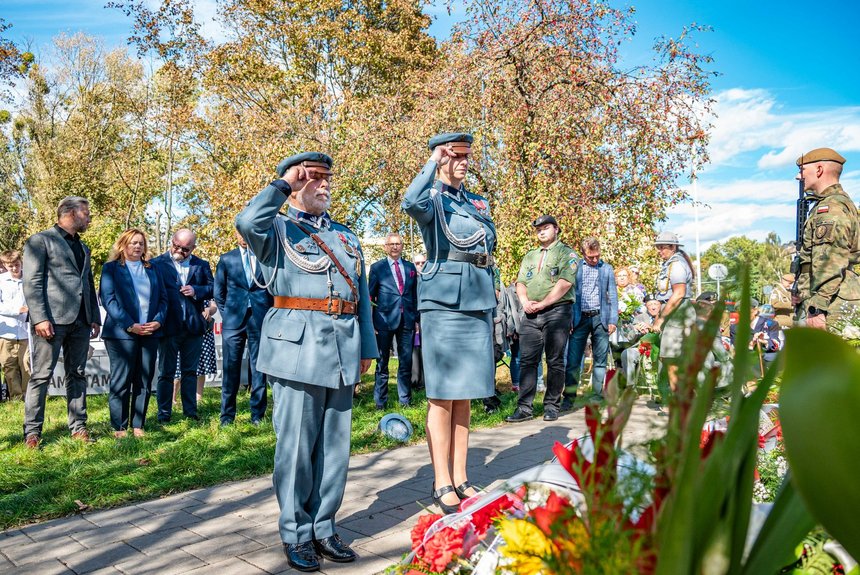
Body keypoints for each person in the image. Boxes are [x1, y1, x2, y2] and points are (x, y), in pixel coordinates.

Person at [236, 151, 377, 572]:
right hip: (296, 349)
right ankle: (295, 531)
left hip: (341, 348)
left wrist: (366, 347)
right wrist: (284, 185)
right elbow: (246, 222)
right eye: (314, 178)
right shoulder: (276, 228)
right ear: (296, 183)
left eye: (326, 178)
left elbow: (360, 296)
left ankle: (323, 526)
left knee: (335, 448)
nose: (324, 185)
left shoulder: (346, 237)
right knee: (296, 448)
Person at [403, 132, 497, 515]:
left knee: (465, 394)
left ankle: (460, 476)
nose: (463, 161)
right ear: (442, 157)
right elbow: (411, 201)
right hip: (442, 301)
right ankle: (441, 479)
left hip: (477, 297)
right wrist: (431, 163)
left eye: (466, 156)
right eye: (454, 155)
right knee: (442, 394)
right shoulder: (432, 200)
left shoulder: (476, 202)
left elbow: (486, 245)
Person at [22, 196, 101, 447]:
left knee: (77, 374)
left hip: (81, 320)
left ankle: (78, 427)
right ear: (70, 213)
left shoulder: (84, 246)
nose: (89, 218)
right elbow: (32, 283)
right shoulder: (40, 241)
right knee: (41, 375)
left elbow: (87, 284)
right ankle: (32, 432)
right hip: (51, 321)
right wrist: (40, 318)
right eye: (86, 213)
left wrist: (94, 317)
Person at [506, 215, 576, 423]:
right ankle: (525, 408)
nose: (541, 232)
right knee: (527, 360)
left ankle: (551, 405)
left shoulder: (567, 253)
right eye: (538, 229)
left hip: (557, 311)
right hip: (530, 312)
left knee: (554, 360)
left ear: (556, 229)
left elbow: (565, 283)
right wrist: (524, 301)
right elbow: (520, 282)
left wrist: (544, 303)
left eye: (546, 228)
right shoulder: (530, 256)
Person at [99, 229, 168, 438]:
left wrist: (158, 321)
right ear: (123, 245)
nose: (137, 247)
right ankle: (119, 427)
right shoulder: (111, 269)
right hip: (121, 334)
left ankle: (138, 424)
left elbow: (164, 299)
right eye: (132, 243)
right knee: (121, 380)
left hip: (149, 332)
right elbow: (108, 300)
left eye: (140, 243)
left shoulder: (153, 269)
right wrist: (130, 325)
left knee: (144, 380)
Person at [150, 228, 214, 423]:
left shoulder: (201, 265)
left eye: (185, 249)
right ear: (171, 242)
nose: (179, 251)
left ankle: (190, 412)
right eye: (176, 246)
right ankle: (164, 414)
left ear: (193, 248)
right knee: (166, 373)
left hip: (193, 326)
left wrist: (196, 290)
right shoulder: (156, 264)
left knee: (190, 372)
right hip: (168, 326)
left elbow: (213, 288)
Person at [792, 148, 860, 329]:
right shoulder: (831, 204)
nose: (798, 177)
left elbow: (829, 260)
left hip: (830, 304)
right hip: (828, 298)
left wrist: (817, 307)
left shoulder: (831, 208)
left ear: (819, 169)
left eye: (802, 171)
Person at [214, 230, 273, 426]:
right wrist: (228, 314)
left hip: (259, 318)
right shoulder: (226, 259)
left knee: (259, 369)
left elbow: (272, 290)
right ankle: (227, 417)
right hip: (234, 322)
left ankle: (257, 415)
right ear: (236, 235)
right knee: (230, 368)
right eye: (241, 234)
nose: (244, 238)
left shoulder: (266, 258)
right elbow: (219, 293)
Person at [563, 237, 618, 404]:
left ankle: (596, 396)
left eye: (597, 256)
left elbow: (613, 296)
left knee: (600, 360)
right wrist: (569, 319)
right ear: (583, 254)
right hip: (579, 319)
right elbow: (568, 294)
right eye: (590, 257)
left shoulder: (606, 269)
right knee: (573, 361)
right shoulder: (575, 268)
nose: (595, 260)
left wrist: (613, 320)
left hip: (600, 319)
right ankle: (569, 397)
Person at [368, 232, 419, 409]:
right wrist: (370, 322)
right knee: (382, 363)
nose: (395, 247)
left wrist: (417, 319)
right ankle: (380, 403)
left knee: (406, 362)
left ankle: (405, 400)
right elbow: (370, 296)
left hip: (407, 321)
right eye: (391, 244)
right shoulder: (377, 268)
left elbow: (414, 295)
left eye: (398, 244)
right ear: (385, 247)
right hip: (383, 321)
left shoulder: (410, 267)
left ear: (402, 246)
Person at [651, 231, 695, 392]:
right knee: (671, 358)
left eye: (663, 247)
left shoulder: (676, 265)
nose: (659, 250)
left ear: (673, 247)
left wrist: (661, 319)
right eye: (659, 247)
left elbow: (678, 294)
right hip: (674, 312)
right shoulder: (670, 264)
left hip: (677, 313)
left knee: (673, 359)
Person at [172, 299, 218, 404]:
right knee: (179, 367)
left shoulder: (206, 287)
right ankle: (173, 398)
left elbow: (214, 306)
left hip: (204, 332)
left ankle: (199, 397)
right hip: (185, 330)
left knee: (202, 366)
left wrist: (208, 311)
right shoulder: (182, 287)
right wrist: (200, 310)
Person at [0, 251, 30, 400]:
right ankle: (16, 397)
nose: (14, 268)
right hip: (6, 332)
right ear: (5, 265)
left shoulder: (30, 278)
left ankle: (28, 396)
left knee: (27, 364)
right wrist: (16, 310)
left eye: (17, 265)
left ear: (21, 262)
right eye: (10, 266)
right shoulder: (1, 281)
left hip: (27, 331)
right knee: (9, 365)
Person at [620, 297, 661, 386]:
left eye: (656, 304)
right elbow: (630, 338)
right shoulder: (639, 318)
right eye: (650, 304)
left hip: (660, 349)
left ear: (660, 305)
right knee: (627, 353)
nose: (653, 307)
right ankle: (631, 387)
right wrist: (636, 330)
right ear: (646, 306)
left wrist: (650, 328)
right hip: (642, 348)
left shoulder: (665, 316)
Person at [410, 253, 427, 391]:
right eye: (417, 263)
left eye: (423, 262)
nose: (420, 265)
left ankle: (426, 381)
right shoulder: (410, 280)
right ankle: (416, 380)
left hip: (428, 319)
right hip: (414, 319)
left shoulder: (430, 278)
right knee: (415, 350)